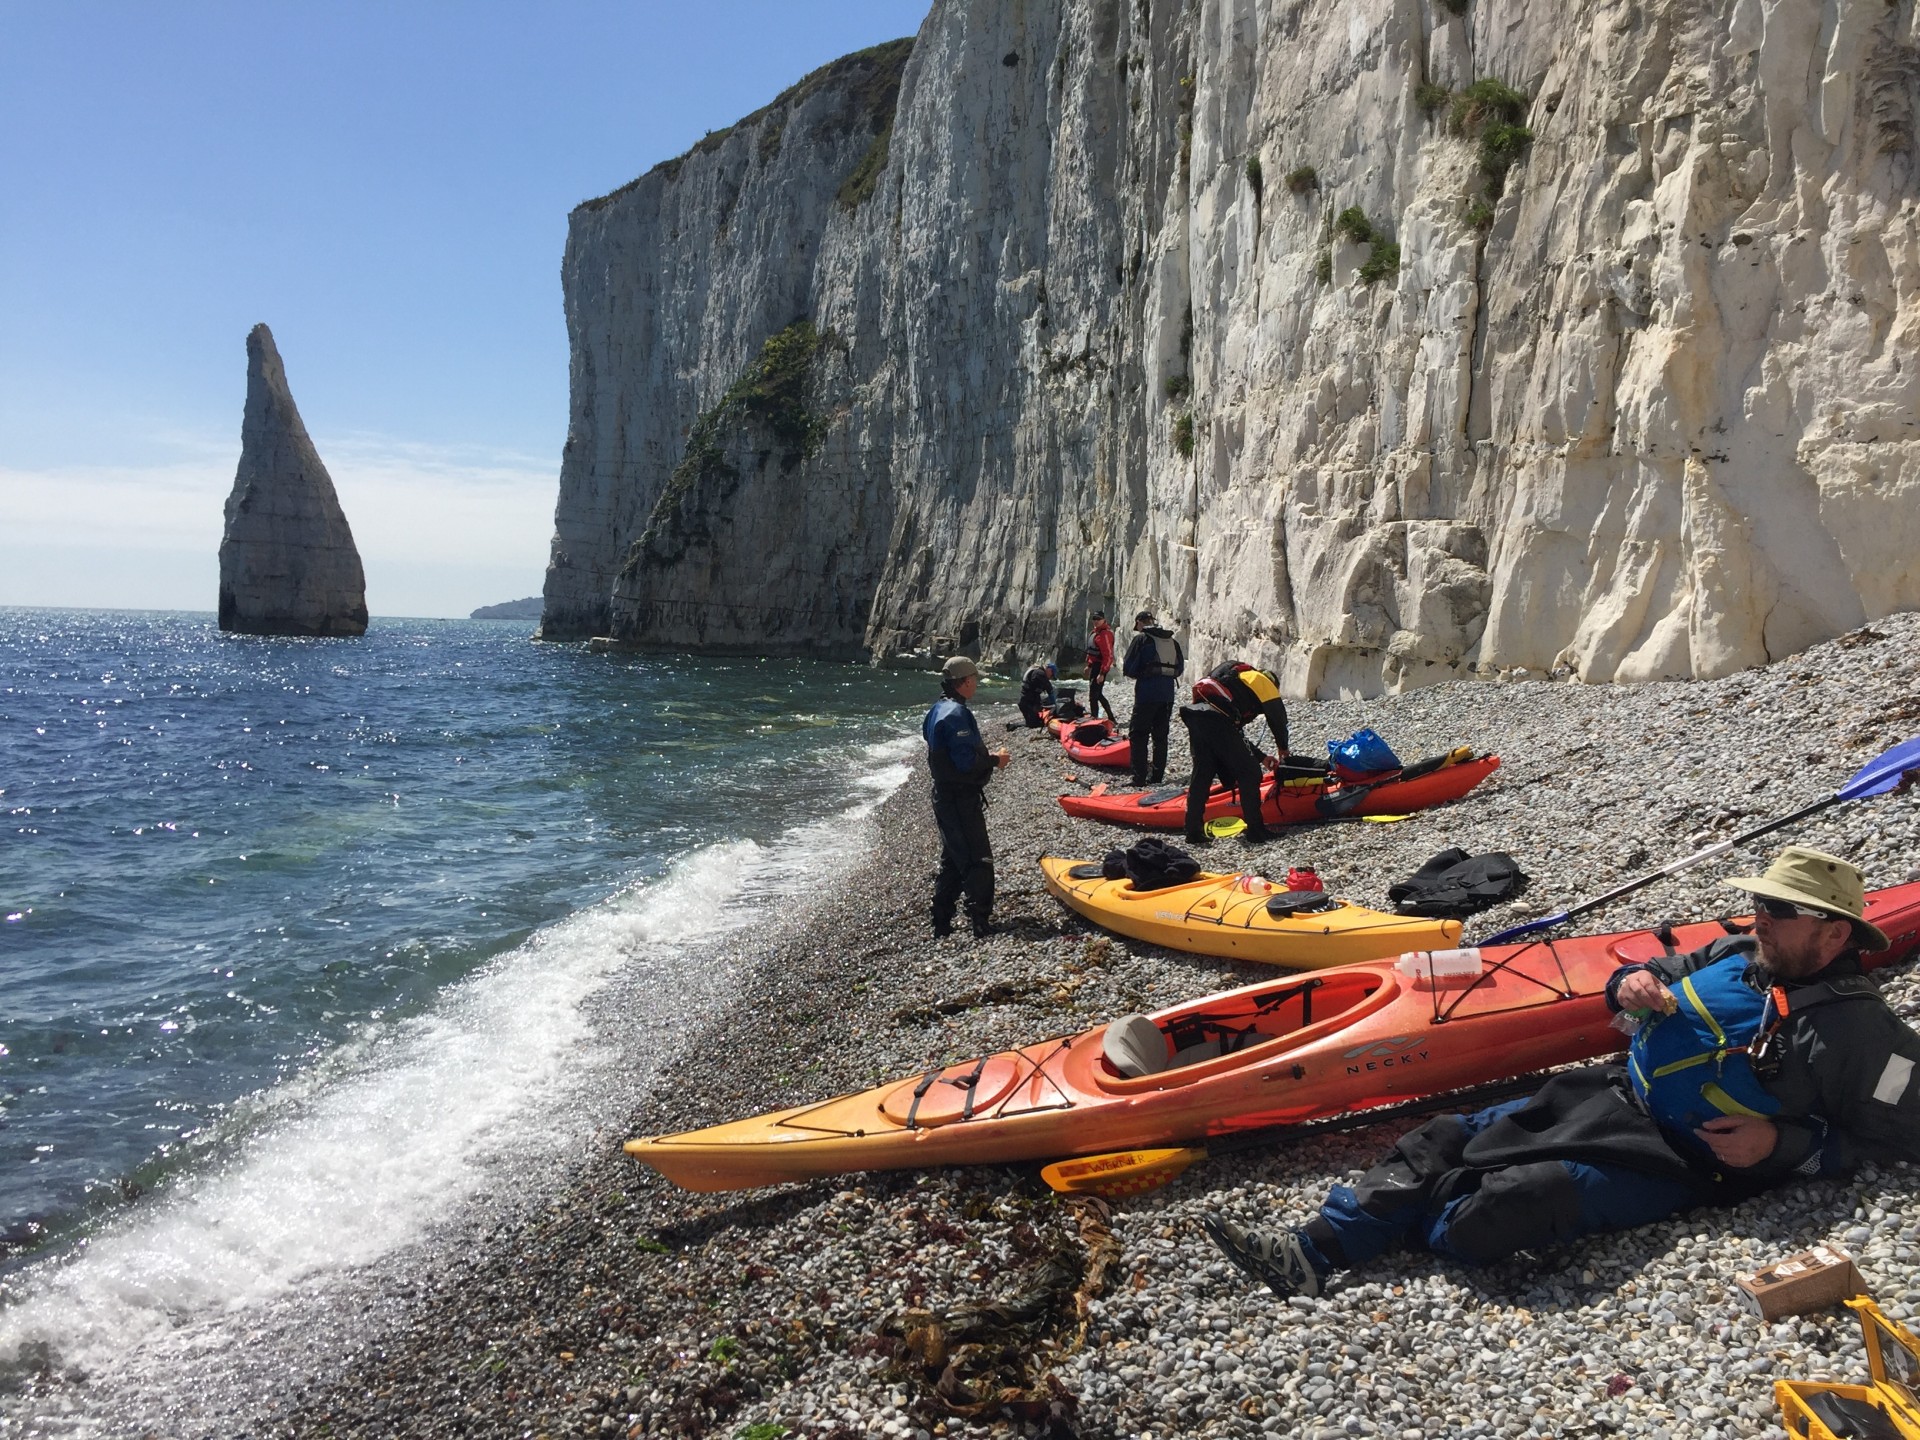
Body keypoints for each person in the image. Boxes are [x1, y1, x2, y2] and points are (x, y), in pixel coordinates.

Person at [1202, 846, 1920, 1298]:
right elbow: (1646, 976)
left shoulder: (1865, 1036)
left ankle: (1412, 1225)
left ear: (1833, 934)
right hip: (1610, 1094)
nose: (1758, 918)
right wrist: (1628, 987)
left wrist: (1783, 1150)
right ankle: (1313, 1251)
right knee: (1443, 1136)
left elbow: (1898, 1138)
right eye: (1759, 903)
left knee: (1501, 1205)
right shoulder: (1738, 954)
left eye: (1779, 911)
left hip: (1681, 1163)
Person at [923, 656, 1010, 939]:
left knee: (953, 856)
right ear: (966, 682)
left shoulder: (936, 708)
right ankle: (980, 920)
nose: (977, 684)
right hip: (959, 798)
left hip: (945, 796)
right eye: (975, 680)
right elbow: (965, 764)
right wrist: (995, 760)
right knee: (977, 856)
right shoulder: (957, 714)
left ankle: (941, 921)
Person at [1178, 661, 1291, 845]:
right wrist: (1282, 747)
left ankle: (1193, 831)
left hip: (1196, 717)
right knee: (1250, 772)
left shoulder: (1236, 681)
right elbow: (1277, 715)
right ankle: (1256, 830)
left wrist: (1262, 757)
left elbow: (1235, 735)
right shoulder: (1261, 680)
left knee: (1203, 773)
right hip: (1216, 719)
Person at [1121, 611, 1184, 786]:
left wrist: (1143, 674)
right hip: (1167, 695)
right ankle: (1157, 777)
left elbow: (1128, 667)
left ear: (1141, 623)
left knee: (1138, 734)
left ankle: (1139, 777)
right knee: (1160, 737)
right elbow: (1179, 668)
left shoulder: (1142, 640)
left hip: (1146, 695)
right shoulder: (1171, 641)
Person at [1084, 612, 1117, 723]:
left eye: (1098, 619)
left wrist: (1102, 673)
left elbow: (1108, 655)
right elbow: (1091, 652)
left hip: (1100, 667)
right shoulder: (1095, 632)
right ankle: (1109, 717)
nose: (1096, 621)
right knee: (1096, 694)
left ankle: (1096, 718)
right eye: (1094, 619)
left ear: (1103, 620)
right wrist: (1089, 665)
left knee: (1094, 694)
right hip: (1094, 666)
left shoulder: (1105, 634)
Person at [1017, 661, 1058, 729]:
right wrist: (1056, 704)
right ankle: (1013, 726)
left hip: (1029, 702)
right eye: (1052, 675)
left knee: (1037, 721)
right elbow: (1050, 690)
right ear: (1049, 670)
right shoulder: (1039, 674)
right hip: (1026, 704)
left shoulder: (1038, 673)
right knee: (1034, 724)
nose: (1051, 677)